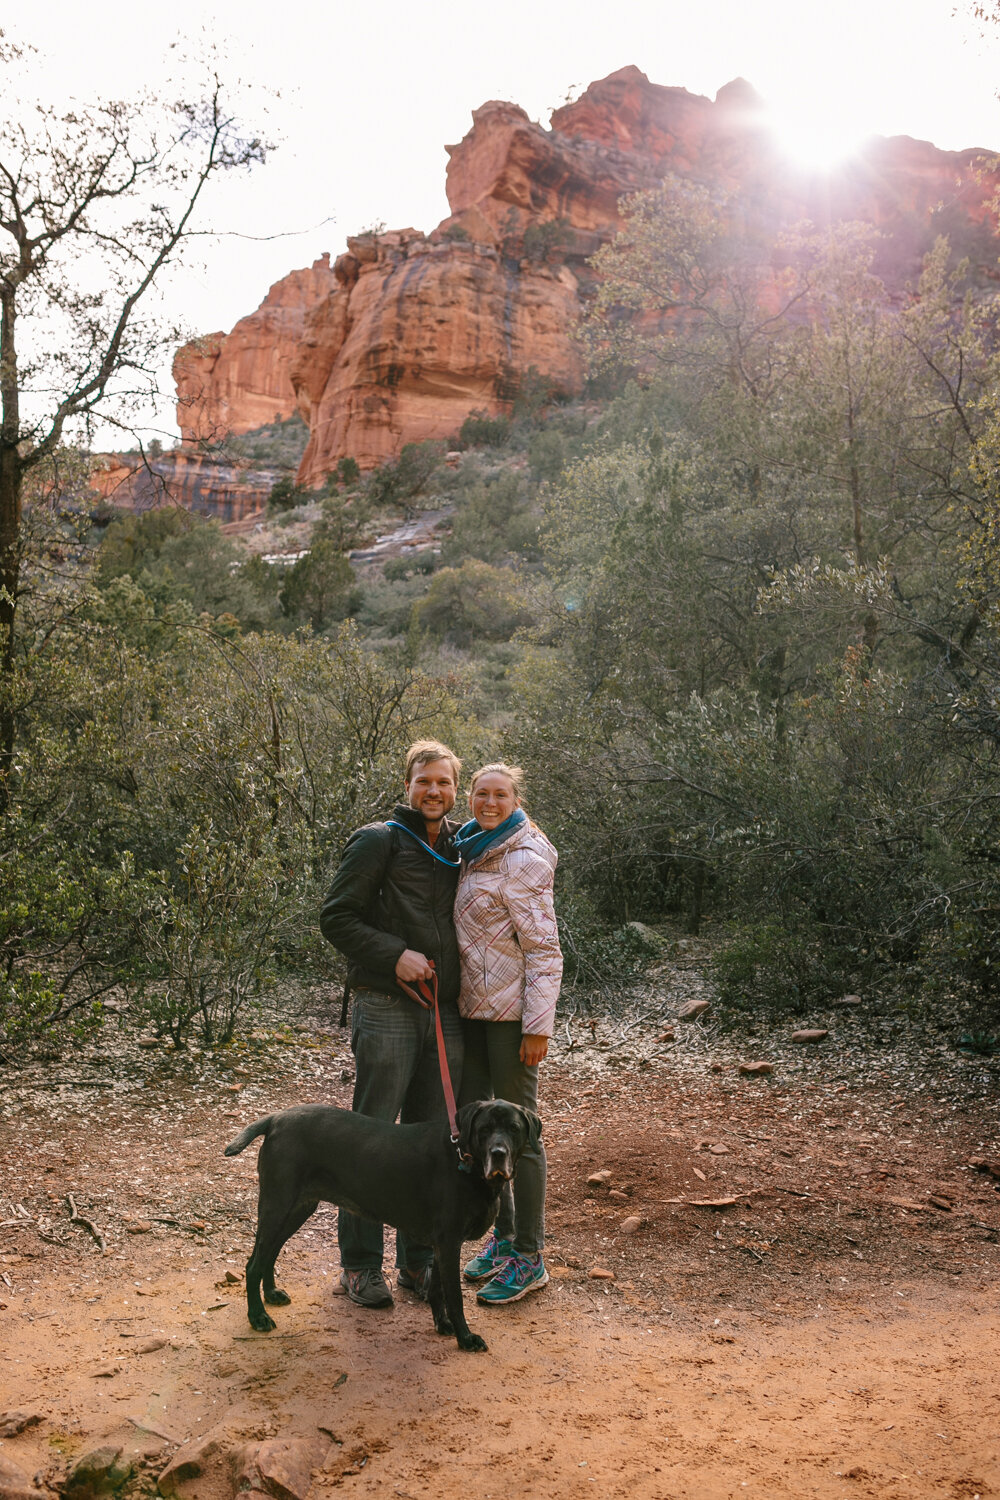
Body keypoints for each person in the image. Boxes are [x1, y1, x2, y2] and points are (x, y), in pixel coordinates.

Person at [320, 739, 464, 1309]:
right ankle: (359, 1266)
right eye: (424, 781)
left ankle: (419, 1263)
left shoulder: (461, 843)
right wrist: (393, 953)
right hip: (385, 1005)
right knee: (371, 1136)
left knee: (435, 1139)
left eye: (444, 783)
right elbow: (336, 916)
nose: (434, 791)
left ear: (457, 789)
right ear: (407, 784)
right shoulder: (378, 839)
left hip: (445, 1010)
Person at [453, 762, 562, 1304]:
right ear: (469, 799)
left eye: (500, 794)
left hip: (512, 1017)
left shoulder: (523, 858)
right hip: (473, 1011)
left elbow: (544, 950)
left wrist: (538, 1027)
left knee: (523, 1134)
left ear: (515, 799)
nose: (488, 802)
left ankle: (530, 1255)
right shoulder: (472, 847)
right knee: (477, 1129)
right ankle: (503, 1237)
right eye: (480, 793)